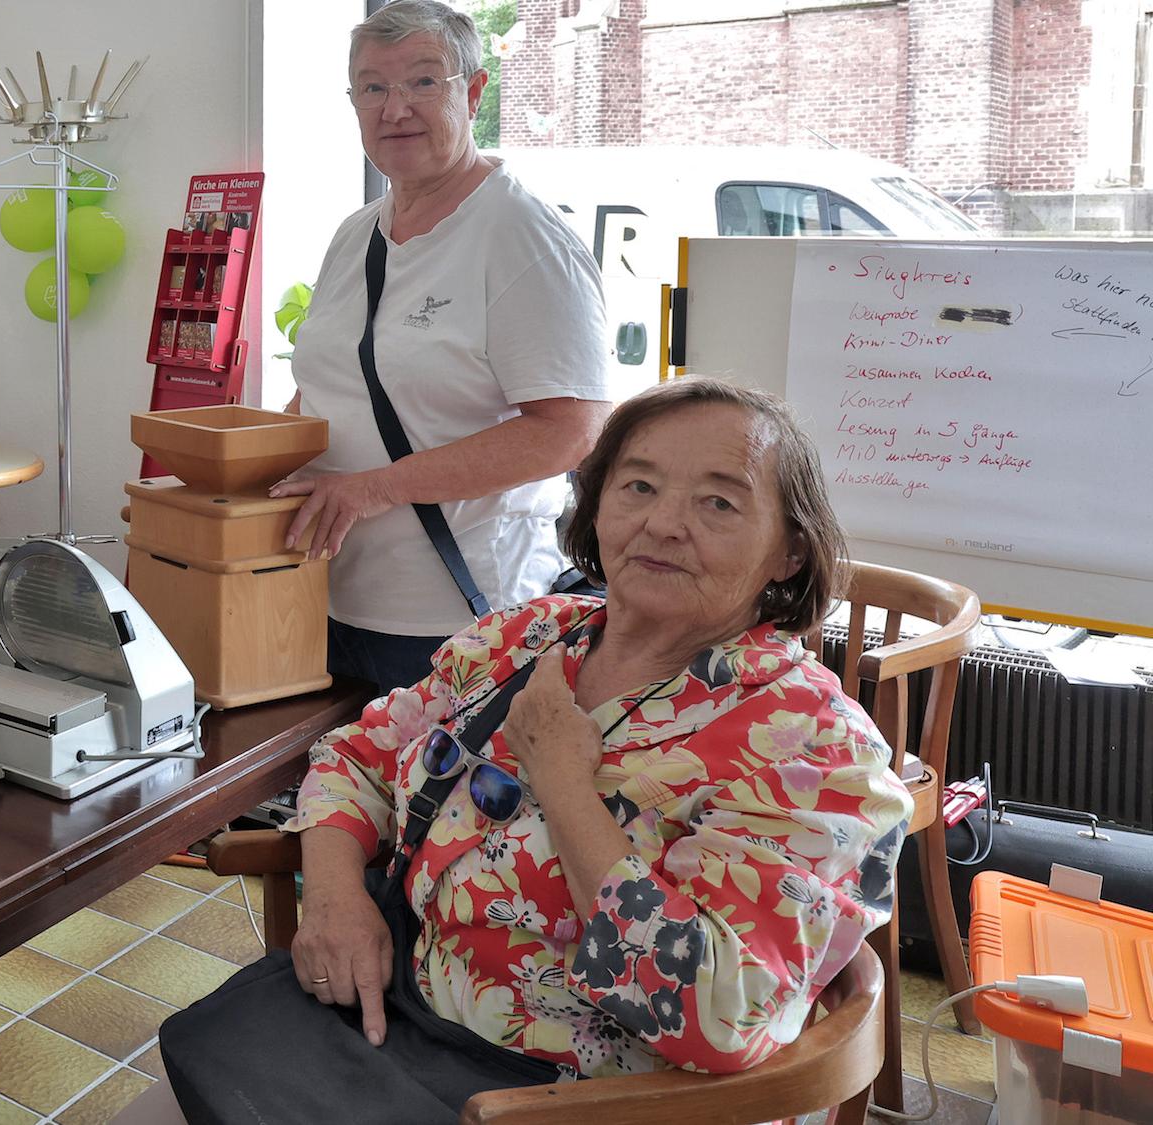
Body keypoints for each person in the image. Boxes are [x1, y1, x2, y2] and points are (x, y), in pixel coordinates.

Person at [156, 378, 912, 1120]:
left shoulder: (816, 751)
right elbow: (358, 755)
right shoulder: (528, 637)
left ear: (790, 551)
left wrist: (561, 778)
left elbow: (717, 1010)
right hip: (388, 1022)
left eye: (718, 501)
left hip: (587, 1098)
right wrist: (332, 896)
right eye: (638, 486)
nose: (663, 523)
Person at [274, 0, 613, 696]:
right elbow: (323, 390)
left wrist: (374, 488)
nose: (395, 107)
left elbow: (571, 432)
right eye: (372, 87)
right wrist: (236, 483)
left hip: (468, 624)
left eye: (424, 81)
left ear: (475, 92)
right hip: (330, 606)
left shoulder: (520, 235)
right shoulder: (354, 235)